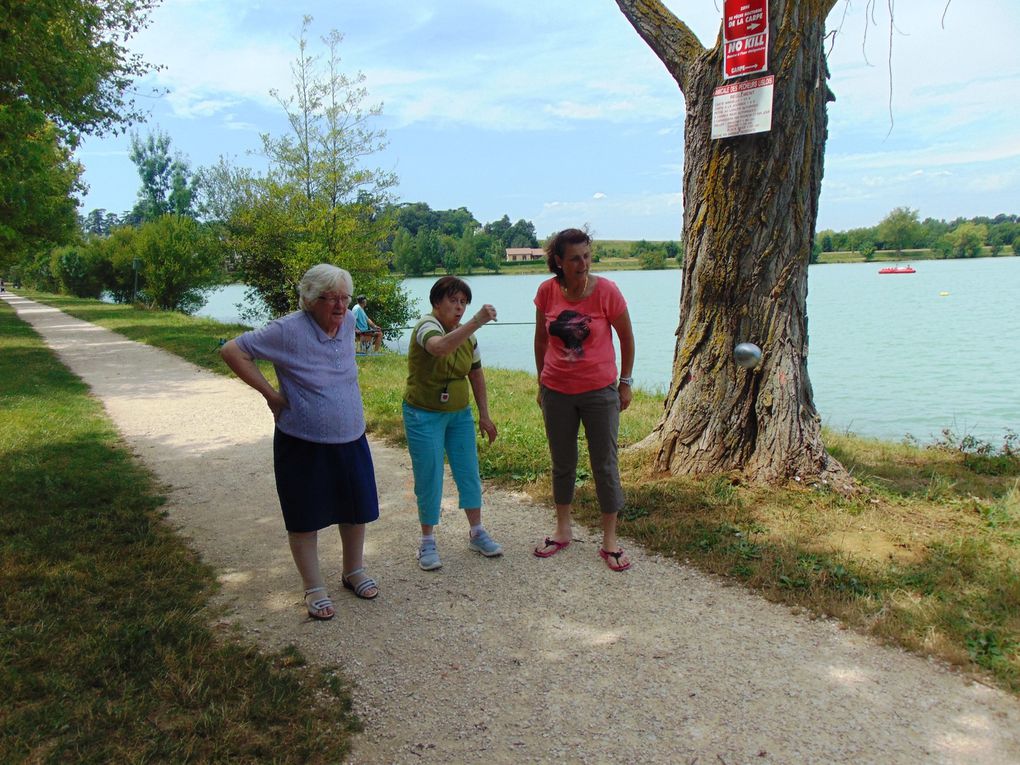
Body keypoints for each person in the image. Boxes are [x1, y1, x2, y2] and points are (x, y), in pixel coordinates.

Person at [220, 263, 380, 620]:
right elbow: (233, 351)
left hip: (351, 435)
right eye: (329, 299)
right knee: (304, 516)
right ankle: (314, 587)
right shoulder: (287, 330)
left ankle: (353, 571)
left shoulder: (350, 322)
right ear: (309, 300)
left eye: (344, 298)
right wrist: (270, 395)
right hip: (302, 441)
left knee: (356, 509)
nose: (339, 306)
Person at [533, 228, 636, 572]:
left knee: (604, 464)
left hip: (599, 392)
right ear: (559, 262)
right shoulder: (547, 292)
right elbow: (540, 341)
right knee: (562, 461)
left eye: (587, 256)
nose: (583, 264)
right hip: (557, 390)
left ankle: (610, 540)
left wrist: (625, 383)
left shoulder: (606, 291)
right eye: (575, 258)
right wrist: (541, 382)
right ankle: (563, 530)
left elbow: (626, 338)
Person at [403, 276, 502, 571]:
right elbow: (438, 348)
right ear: (437, 303)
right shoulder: (426, 326)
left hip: (459, 414)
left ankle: (477, 531)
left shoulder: (468, 338)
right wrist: (476, 320)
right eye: (453, 301)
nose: (459, 308)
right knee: (429, 475)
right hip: (423, 413)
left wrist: (484, 415)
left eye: (463, 302)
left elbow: (477, 375)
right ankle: (427, 541)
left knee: (468, 471)